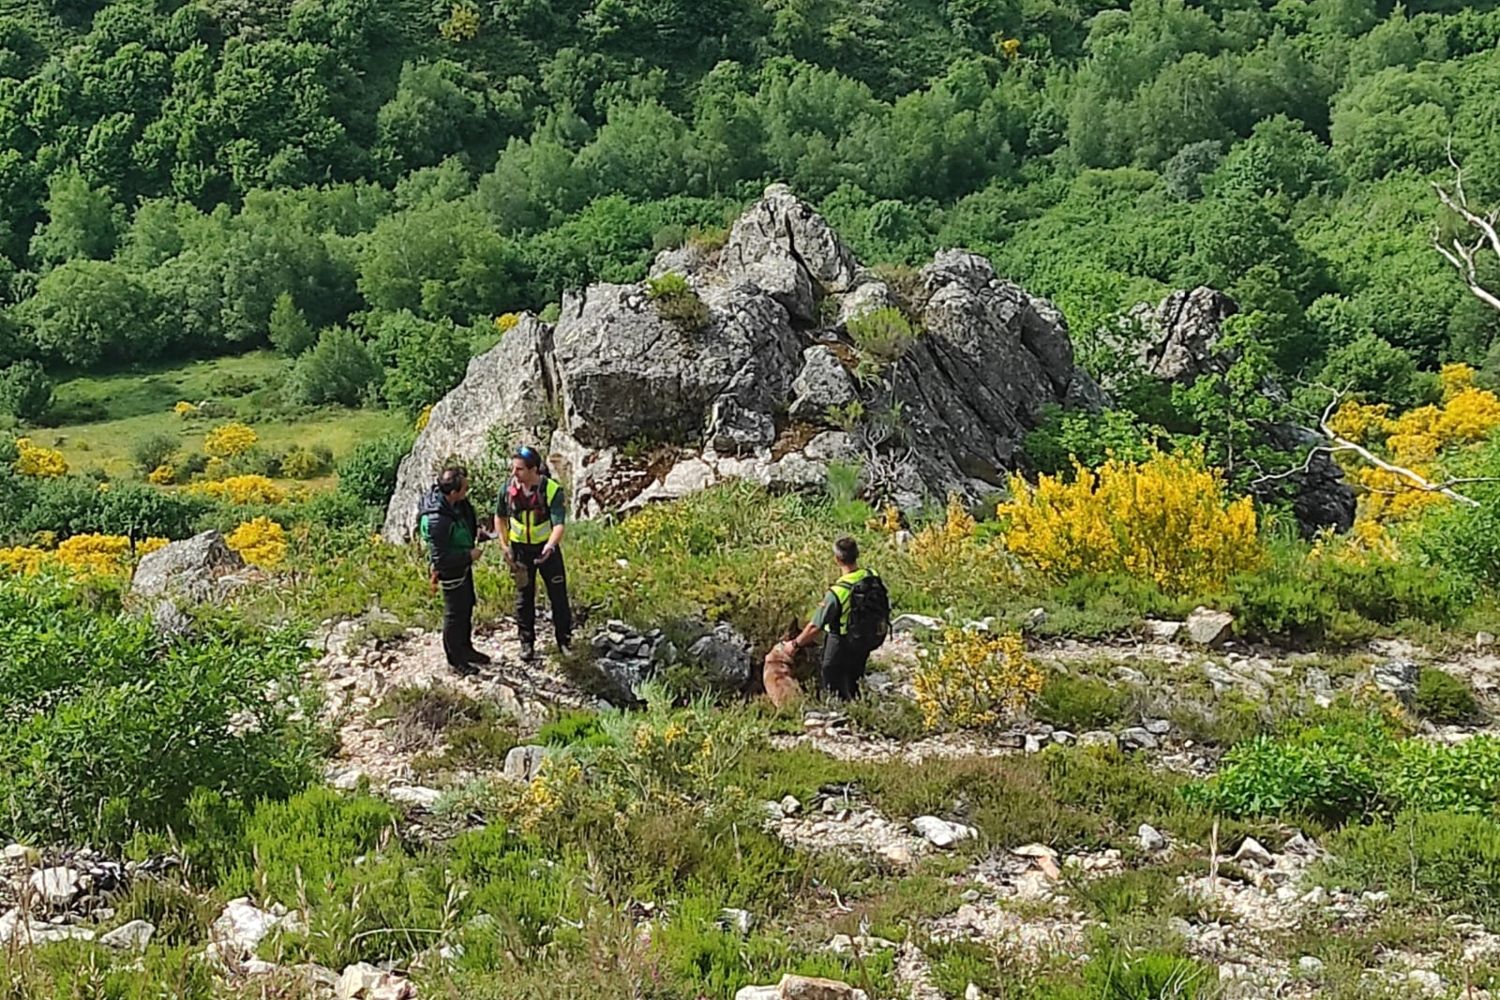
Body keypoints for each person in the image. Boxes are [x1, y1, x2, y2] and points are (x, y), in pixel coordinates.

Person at [780, 537, 890, 700]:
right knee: (855, 678)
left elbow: (814, 627)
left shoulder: (837, 592)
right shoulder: (871, 575)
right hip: (865, 637)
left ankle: (838, 715)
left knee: (833, 681)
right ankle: (858, 710)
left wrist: (794, 644)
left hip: (841, 642)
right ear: (857, 554)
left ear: (837, 559)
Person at [495, 445, 572, 661]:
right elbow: (499, 517)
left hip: (546, 550)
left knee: (558, 596)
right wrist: (504, 545)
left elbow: (558, 524)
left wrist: (550, 546)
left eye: (519, 469)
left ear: (533, 470)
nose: (514, 474)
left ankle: (564, 641)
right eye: (513, 468)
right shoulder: (507, 490)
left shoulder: (551, 490)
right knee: (523, 598)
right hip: (520, 551)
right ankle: (526, 644)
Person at [418, 465, 489, 677]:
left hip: (462, 566)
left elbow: (465, 518)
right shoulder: (437, 519)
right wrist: (469, 556)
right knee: (454, 613)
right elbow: (440, 559)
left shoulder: (453, 504)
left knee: (467, 604)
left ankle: (466, 648)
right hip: (451, 570)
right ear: (452, 492)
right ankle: (455, 659)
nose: (467, 491)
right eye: (464, 488)